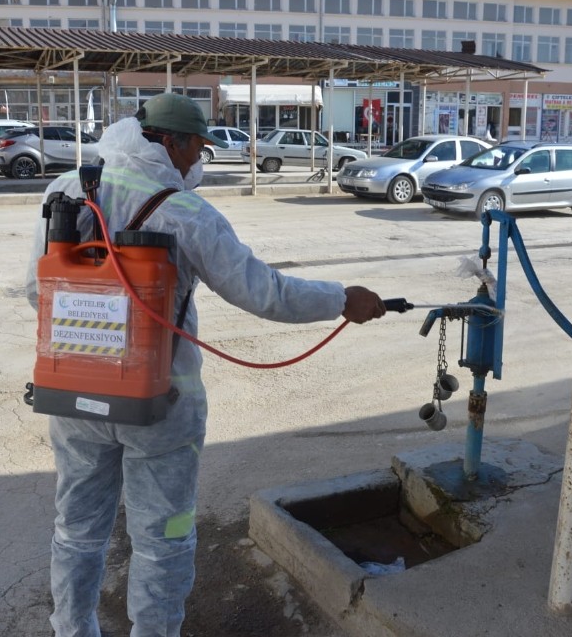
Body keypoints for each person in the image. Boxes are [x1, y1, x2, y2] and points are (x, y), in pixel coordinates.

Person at [25, 93, 385, 637]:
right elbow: (264, 292)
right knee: (161, 541)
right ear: (170, 142)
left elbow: (37, 289)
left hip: (73, 395)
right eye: (197, 147)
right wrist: (341, 299)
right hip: (159, 406)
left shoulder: (66, 190)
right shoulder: (185, 211)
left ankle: (71, 631)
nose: (199, 160)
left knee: (75, 530)